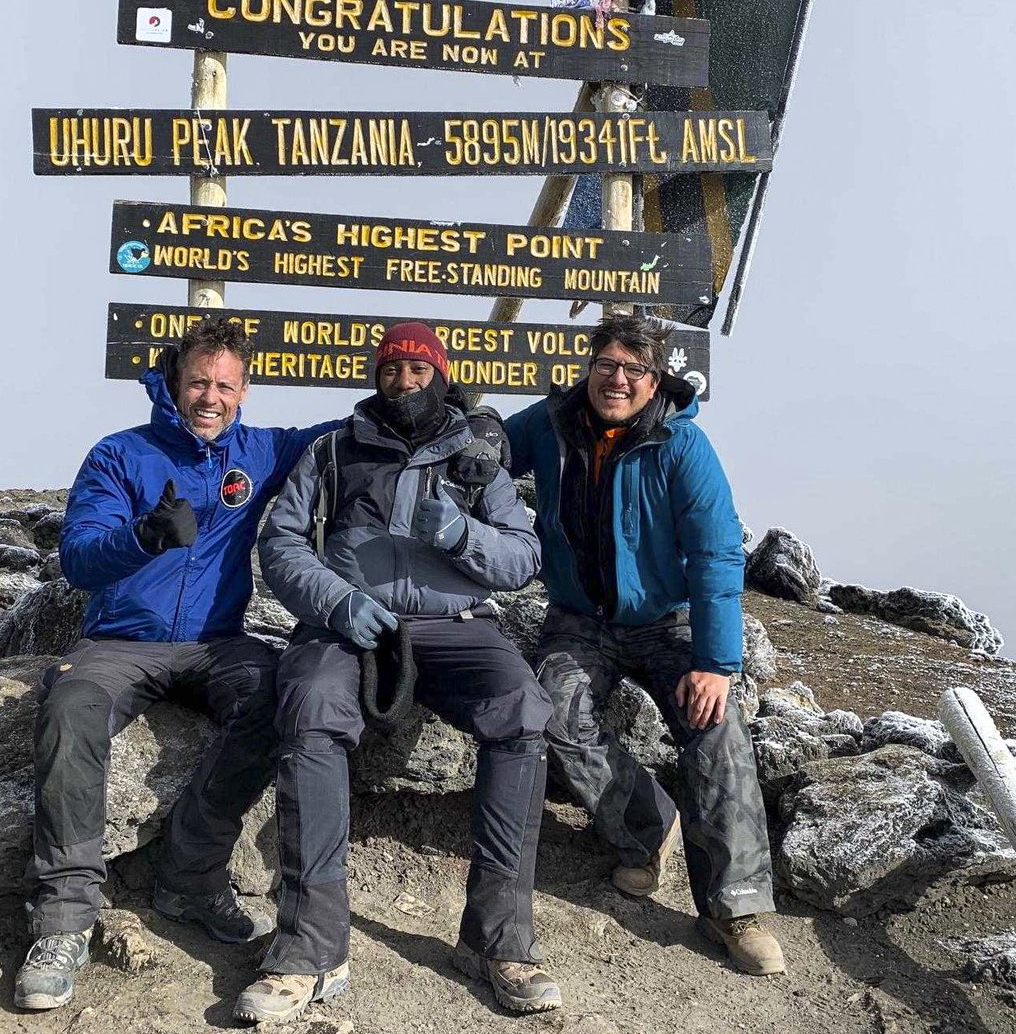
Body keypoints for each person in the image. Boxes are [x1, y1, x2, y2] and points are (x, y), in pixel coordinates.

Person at [234, 322, 560, 1024]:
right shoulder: (332, 450)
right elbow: (282, 539)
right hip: (346, 622)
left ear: (439, 375)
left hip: (457, 626)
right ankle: (310, 950)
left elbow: (523, 557)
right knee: (312, 707)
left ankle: (497, 941)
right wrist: (336, 600)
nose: (404, 381)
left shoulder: (479, 460)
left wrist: (460, 534)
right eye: (392, 369)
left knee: (524, 709)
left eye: (418, 369)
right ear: (376, 376)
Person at [14, 316, 339, 1011]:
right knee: (70, 707)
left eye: (225, 385)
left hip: (217, 643)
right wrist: (144, 535)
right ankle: (65, 919)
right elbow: (78, 559)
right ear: (174, 381)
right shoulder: (118, 455)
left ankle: (189, 877)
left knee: (276, 696)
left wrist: (427, 412)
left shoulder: (258, 451)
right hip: (120, 643)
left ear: (243, 391)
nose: (211, 397)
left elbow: (340, 437)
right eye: (199, 382)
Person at [505, 314, 784, 976]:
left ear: (656, 380)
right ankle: (645, 828)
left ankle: (734, 907)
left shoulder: (682, 445)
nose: (618, 380)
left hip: (668, 617)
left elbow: (716, 552)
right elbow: (483, 444)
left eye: (635, 370)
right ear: (589, 368)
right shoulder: (550, 423)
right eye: (608, 365)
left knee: (715, 727)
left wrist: (716, 665)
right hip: (580, 617)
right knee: (553, 709)